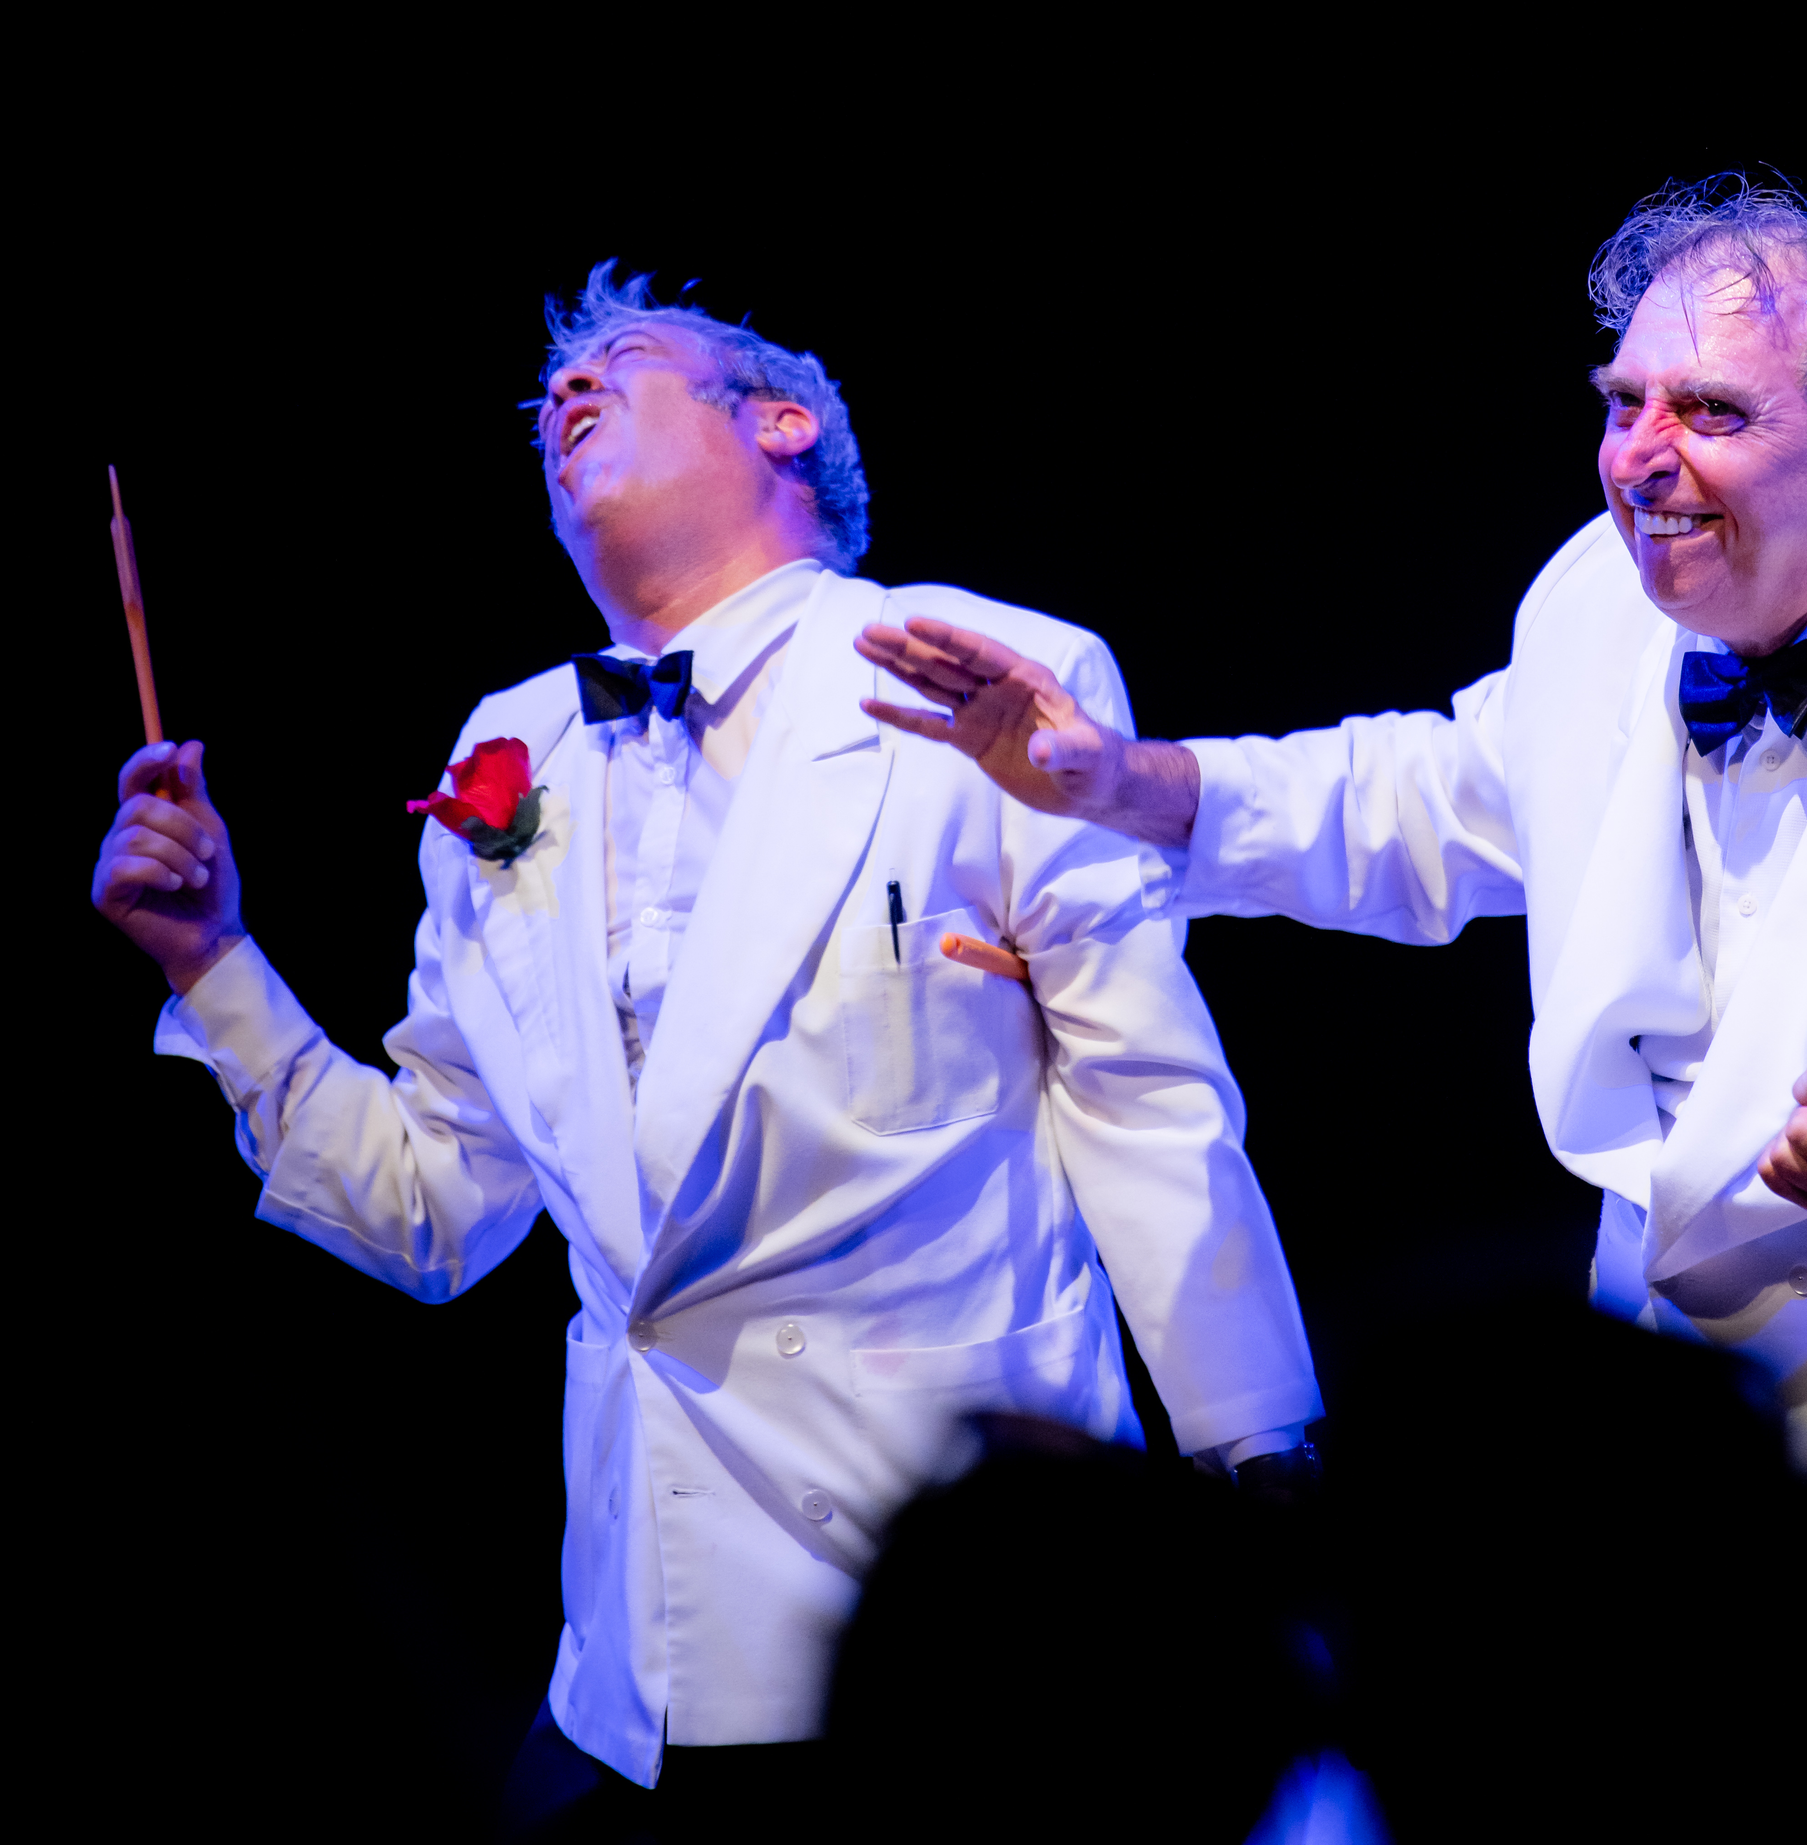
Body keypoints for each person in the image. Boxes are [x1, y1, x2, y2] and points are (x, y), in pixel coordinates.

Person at [855, 179, 1807, 1675]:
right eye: (1624, 403)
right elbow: (1426, 799)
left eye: (1711, 414)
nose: (1639, 461)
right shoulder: (1597, 607)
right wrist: (1116, 779)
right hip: (1682, 1460)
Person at [88, 262, 1324, 1813]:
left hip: (958, 1595)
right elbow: (436, 1207)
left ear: (785, 422)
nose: (563, 396)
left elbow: (1143, 1091)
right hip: (639, 1651)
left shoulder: (982, 672)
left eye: (621, 360)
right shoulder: (506, 747)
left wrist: (1253, 1455)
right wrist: (213, 965)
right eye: (546, 394)